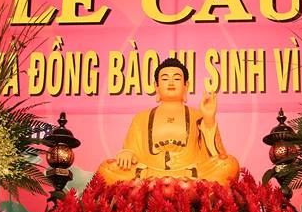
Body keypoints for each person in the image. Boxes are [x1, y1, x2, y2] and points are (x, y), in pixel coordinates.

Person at [96, 57, 239, 185]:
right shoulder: (141, 118)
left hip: (191, 174)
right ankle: (181, 188)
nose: (171, 83)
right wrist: (127, 153)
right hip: (148, 174)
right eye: (164, 79)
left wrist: (208, 118)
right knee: (107, 169)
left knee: (229, 164)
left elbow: (216, 155)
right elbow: (132, 150)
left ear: (186, 86)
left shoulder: (197, 115)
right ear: (156, 86)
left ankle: (159, 188)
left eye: (176, 79)